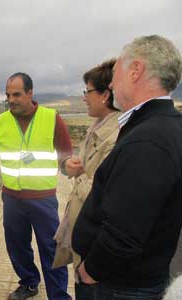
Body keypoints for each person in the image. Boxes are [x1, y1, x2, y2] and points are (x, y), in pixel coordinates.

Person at [72, 35, 182, 300]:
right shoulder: (162, 126)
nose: (111, 83)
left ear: (136, 71)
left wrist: (90, 272)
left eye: (116, 73)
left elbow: (125, 232)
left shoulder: (149, 139)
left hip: (119, 287)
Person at [0, 72, 72, 300]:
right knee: (16, 244)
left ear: (29, 93)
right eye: (8, 95)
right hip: (12, 198)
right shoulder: (1, 121)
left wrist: (66, 165)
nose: (11, 99)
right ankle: (28, 283)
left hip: (42, 198)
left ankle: (58, 295)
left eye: (16, 94)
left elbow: (65, 152)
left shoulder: (51, 117)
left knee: (50, 248)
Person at [52, 59, 121, 298]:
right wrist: (69, 166)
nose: (84, 97)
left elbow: (102, 190)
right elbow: (82, 165)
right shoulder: (97, 127)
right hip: (83, 232)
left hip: (95, 240)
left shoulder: (117, 135)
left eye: (88, 91)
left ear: (105, 95)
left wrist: (80, 178)